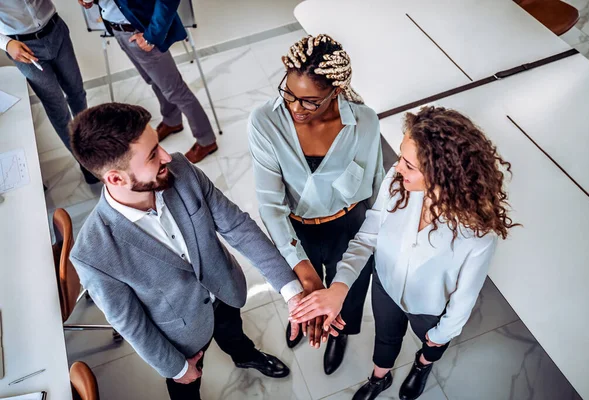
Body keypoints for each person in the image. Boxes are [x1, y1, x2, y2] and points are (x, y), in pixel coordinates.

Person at [68, 103, 307, 400]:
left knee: (234, 334)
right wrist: (178, 369)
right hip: (181, 335)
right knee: (186, 391)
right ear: (116, 178)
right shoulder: (93, 254)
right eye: (153, 154)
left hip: (224, 289)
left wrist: (291, 290)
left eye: (159, 145)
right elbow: (131, 324)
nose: (169, 156)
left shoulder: (181, 171)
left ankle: (244, 354)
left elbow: (238, 228)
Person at [290, 106, 519, 400]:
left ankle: (422, 366)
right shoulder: (397, 183)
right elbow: (367, 236)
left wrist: (440, 335)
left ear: (441, 173)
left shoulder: (477, 234)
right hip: (385, 285)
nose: (397, 167)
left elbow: (464, 297)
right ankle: (379, 378)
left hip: (430, 307)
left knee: (432, 344)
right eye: (401, 157)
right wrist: (339, 286)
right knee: (386, 336)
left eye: (409, 165)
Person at [248, 34, 384, 375]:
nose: (295, 108)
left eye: (310, 101)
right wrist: (306, 277)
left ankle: (341, 332)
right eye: (290, 94)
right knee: (299, 283)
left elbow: (377, 189)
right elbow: (270, 204)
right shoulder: (264, 121)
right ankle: (304, 315)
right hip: (293, 227)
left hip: (349, 224)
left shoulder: (364, 123)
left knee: (349, 291)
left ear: (335, 92)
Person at [78, 0, 218, 164]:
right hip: (119, 31)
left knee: (176, 90)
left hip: (143, 31)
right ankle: (172, 120)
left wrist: (151, 35)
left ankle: (206, 140)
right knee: (153, 81)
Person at [0, 0, 98, 184]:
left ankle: (90, 144)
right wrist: (5, 44)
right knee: (57, 107)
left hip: (55, 29)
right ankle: (84, 159)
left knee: (77, 92)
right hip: (23, 47)